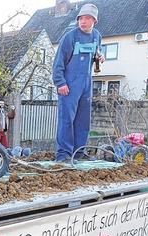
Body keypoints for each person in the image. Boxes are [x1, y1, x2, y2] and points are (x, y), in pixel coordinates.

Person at [52, 3, 104, 162]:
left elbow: (95, 53)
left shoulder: (97, 36)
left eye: (87, 18)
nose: (83, 21)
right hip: (69, 84)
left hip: (86, 84)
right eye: (81, 18)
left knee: (83, 120)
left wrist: (99, 57)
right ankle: (64, 155)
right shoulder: (70, 37)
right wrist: (60, 82)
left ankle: (79, 153)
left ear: (94, 20)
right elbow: (58, 62)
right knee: (66, 120)